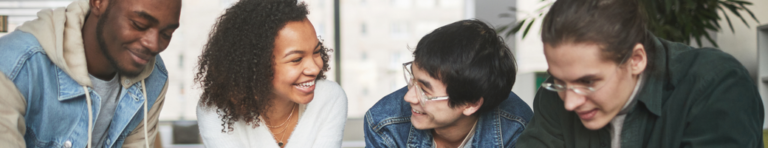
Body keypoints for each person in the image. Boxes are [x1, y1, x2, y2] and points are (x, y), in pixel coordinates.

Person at [516, 0, 764, 147]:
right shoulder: (555, 95)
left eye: (588, 81)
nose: (570, 102)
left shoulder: (718, 86)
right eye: (559, 81)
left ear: (635, 60)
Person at [0, 0, 180, 147]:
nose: (154, 45)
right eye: (139, 24)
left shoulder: (154, 77)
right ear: (99, 2)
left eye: (166, 34)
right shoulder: (14, 66)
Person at [194, 0, 347, 148]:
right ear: (256, 65)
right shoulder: (215, 110)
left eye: (317, 52)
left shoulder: (329, 97)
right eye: (296, 59)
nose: (314, 68)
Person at [364, 20, 533, 148]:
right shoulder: (384, 124)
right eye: (412, 79)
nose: (408, 97)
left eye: (424, 90)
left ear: (470, 103)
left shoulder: (516, 127)